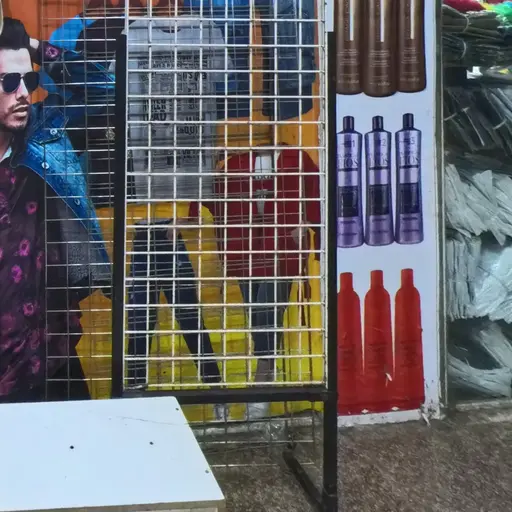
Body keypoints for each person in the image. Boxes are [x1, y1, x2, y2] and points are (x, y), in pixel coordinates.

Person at [0, 18, 110, 402]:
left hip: (48, 354)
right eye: (8, 83)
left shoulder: (41, 137)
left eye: (28, 81)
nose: (23, 94)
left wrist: (33, 47)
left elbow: (104, 89)